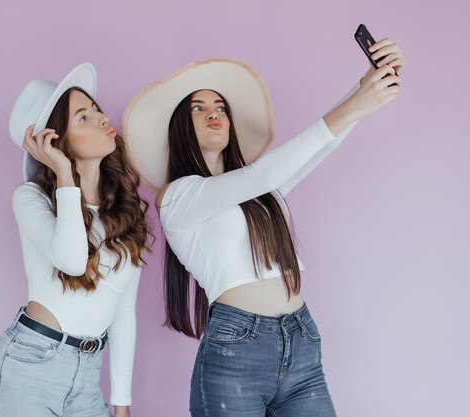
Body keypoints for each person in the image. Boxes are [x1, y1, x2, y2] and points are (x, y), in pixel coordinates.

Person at [122, 39, 404, 416]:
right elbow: (262, 174)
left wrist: (366, 84)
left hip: (301, 341)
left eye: (220, 107)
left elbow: (321, 148)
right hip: (236, 352)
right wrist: (357, 102)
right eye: (199, 108)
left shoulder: (258, 191)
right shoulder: (178, 196)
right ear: (179, 127)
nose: (214, 114)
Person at [0, 63, 150, 417]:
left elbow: (123, 314)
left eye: (97, 110)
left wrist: (122, 404)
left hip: (87, 377)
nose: (103, 119)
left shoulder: (124, 213)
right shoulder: (30, 200)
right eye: (83, 117)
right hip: (29, 366)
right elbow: (71, 260)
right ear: (55, 141)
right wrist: (62, 173)